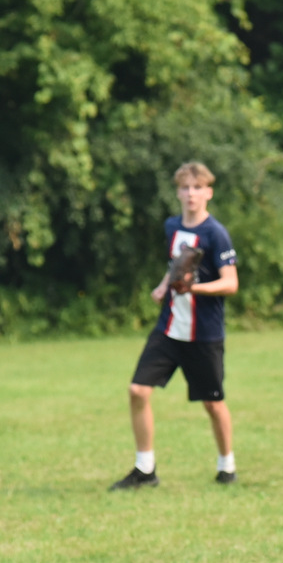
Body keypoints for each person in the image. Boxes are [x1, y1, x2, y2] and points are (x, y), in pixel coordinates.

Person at [110, 161, 241, 490]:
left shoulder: (215, 233)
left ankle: (226, 467)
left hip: (204, 334)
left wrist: (193, 289)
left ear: (209, 192)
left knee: (213, 403)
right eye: (185, 188)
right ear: (178, 193)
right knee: (137, 390)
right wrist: (163, 286)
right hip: (169, 329)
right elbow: (175, 266)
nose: (191, 194)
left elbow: (230, 283)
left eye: (198, 188)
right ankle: (145, 470)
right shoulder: (172, 226)